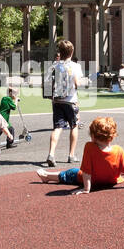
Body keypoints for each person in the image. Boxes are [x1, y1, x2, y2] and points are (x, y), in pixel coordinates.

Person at [36, 116, 124, 194]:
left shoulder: (90, 147)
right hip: (111, 181)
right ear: (112, 136)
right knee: (119, 167)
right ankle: (47, 176)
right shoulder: (118, 150)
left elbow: (86, 172)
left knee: (71, 173)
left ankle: (47, 176)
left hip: (93, 181)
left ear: (93, 136)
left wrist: (86, 189)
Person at [44, 40, 84, 168]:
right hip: (70, 100)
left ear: (59, 52)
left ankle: (51, 153)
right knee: (74, 126)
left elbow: (47, 84)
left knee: (57, 128)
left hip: (57, 101)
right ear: (72, 52)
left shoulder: (53, 66)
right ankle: (71, 155)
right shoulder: (75, 66)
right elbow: (77, 83)